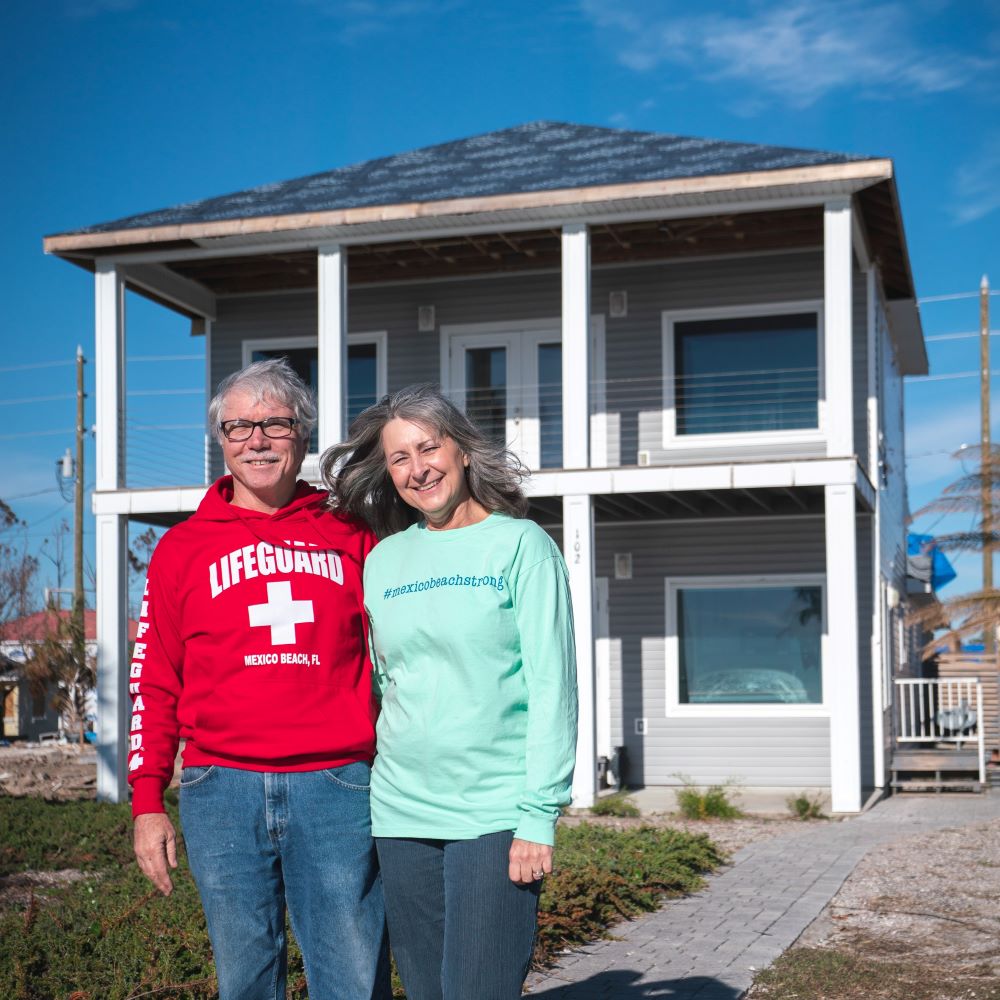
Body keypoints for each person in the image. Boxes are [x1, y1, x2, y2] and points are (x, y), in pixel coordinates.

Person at [128, 358, 390, 1000]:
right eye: (239, 426)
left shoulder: (352, 533)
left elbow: (399, 656)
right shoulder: (182, 549)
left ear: (303, 434)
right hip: (221, 790)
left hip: (336, 784)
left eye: (276, 423)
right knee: (244, 978)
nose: (258, 440)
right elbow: (154, 679)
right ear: (220, 440)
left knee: (354, 975)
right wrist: (146, 802)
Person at [321, 383, 578, 1000]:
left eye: (428, 447)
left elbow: (553, 689)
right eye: (399, 458)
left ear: (462, 449)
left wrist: (539, 815)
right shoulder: (383, 560)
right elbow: (387, 682)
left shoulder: (523, 547)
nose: (417, 469)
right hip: (402, 812)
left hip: (493, 812)